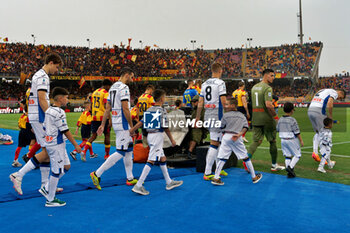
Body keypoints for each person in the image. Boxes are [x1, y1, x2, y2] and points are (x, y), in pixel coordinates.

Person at [10, 53, 63, 195]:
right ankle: (19, 175)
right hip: (40, 117)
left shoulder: (38, 75)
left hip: (36, 116)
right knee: (51, 151)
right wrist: (50, 116)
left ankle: (45, 185)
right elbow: (41, 98)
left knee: (46, 151)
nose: (56, 71)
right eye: (56, 67)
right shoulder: (42, 77)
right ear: (51, 63)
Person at [90, 67, 138, 190]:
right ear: (126, 75)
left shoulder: (112, 88)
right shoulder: (124, 88)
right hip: (123, 124)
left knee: (128, 150)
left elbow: (107, 109)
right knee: (121, 151)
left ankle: (130, 177)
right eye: (131, 77)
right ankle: (97, 173)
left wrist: (102, 124)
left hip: (117, 122)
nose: (132, 80)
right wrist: (132, 127)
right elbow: (126, 108)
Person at [130, 89, 183, 195]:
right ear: (162, 99)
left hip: (150, 136)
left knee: (162, 158)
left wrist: (132, 129)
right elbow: (165, 127)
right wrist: (172, 139)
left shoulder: (149, 109)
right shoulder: (162, 111)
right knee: (151, 160)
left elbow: (141, 122)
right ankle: (139, 185)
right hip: (157, 136)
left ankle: (169, 182)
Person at [40, 87, 82, 207]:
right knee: (56, 170)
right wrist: (76, 145)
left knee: (66, 166)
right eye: (66, 97)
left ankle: (47, 188)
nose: (67, 100)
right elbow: (66, 130)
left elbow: (44, 127)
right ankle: (50, 199)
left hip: (54, 143)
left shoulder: (48, 110)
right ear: (60, 98)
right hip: (56, 144)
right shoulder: (59, 112)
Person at [211, 98, 262, 185]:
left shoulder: (225, 115)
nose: (225, 106)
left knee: (222, 158)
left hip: (226, 137)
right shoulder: (242, 115)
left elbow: (221, 127)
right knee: (245, 157)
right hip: (236, 137)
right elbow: (246, 127)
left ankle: (216, 178)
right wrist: (239, 135)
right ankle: (254, 177)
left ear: (233, 105)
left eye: (227, 104)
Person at [247, 69, 285, 172]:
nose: (273, 78)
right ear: (266, 76)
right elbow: (269, 105)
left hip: (256, 118)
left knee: (256, 141)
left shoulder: (254, 87)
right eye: (272, 76)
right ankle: (274, 165)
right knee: (272, 141)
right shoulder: (267, 88)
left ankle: (246, 163)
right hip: (267, 119)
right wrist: (276, 117)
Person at [196, 62, 228, 180]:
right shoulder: (220, 83)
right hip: (217, 115)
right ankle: (208, 172)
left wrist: (197, 118)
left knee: (218, 141)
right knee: (214, 143)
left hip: (207, 114)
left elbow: (200, 102)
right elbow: (224, 102)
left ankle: (219, 168)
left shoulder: (204, 84)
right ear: (220, 71)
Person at [307, 88, 346, 163]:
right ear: (340, 92)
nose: (338, 98)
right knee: (326, 135)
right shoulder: (334, 92)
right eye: (340, 97)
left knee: (318, 133)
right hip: (318, 111)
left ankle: (315, 152)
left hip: (310, 110)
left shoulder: (322, 90)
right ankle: (326, 159)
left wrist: (325, 115)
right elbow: (330, 103)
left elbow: (316, 97)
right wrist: (330, 117)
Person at [82, 79, 113, 161]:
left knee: (93, 135)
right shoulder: (105, 93)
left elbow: (91, 106)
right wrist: (109, 119)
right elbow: (107, 108)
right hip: (103, 117)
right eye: (110, 87)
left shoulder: (94, 92)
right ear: (107, 86)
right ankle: (106, 155)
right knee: (107, 135)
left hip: (94, 117)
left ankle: (84, 150)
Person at [276, 102, 304, 178]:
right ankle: (290, 167)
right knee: (297, 155)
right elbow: (297, 131)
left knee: (287, 156)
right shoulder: (292, 120)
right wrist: (301, 140)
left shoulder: (280, 119)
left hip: (283, 140)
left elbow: (277, 129)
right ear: (291, 110)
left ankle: (290, 173)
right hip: (291, 139)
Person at [13, 102, 35, 167]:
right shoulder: (29, 116)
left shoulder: (22, 116)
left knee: (19, 146)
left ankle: (15, 160)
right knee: (32, 143)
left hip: (21, 132)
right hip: (28, 131)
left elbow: (19, 125)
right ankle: (29, 158)